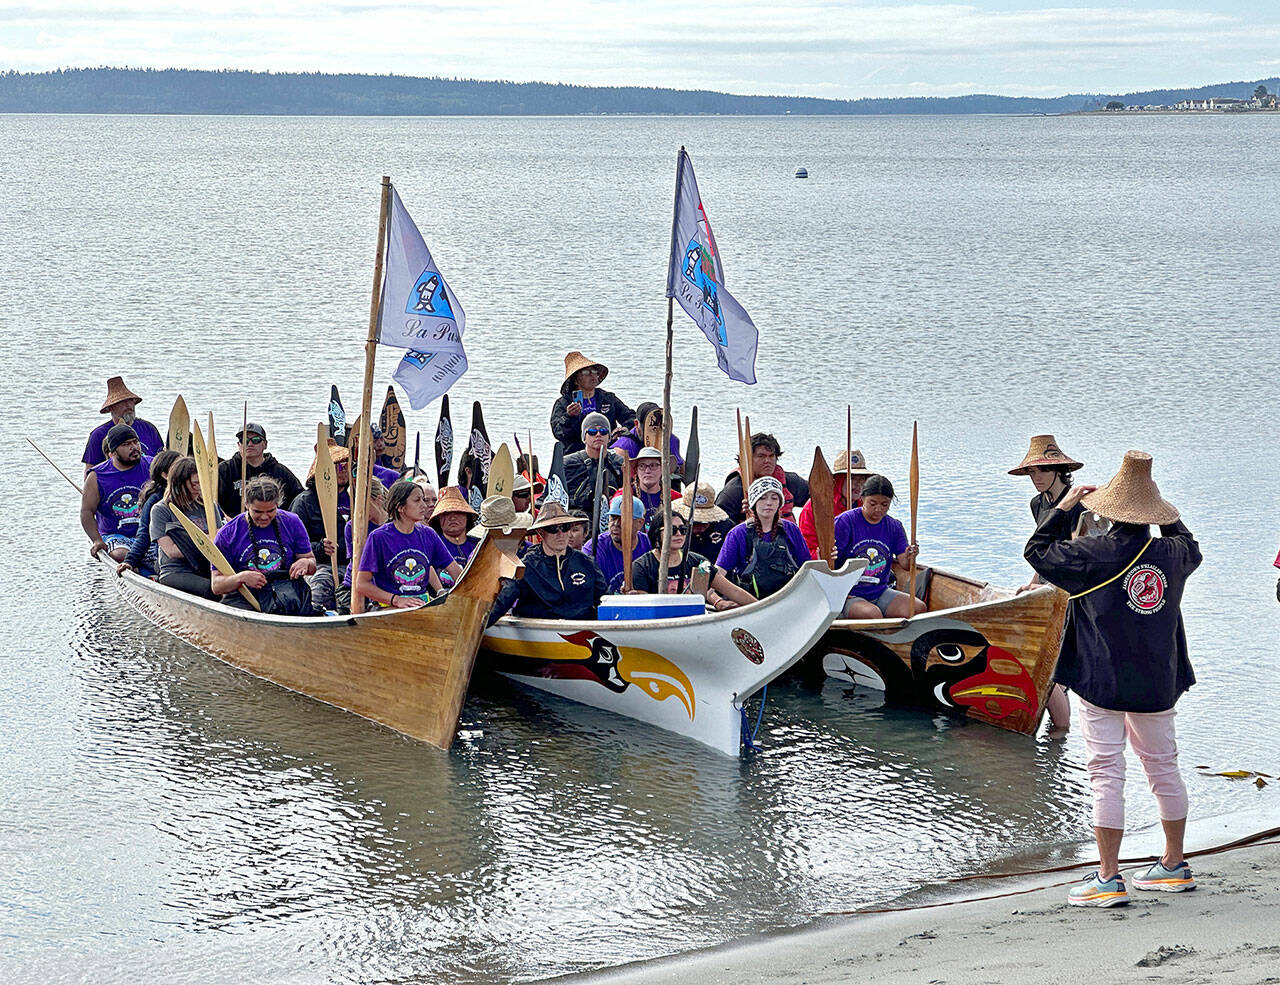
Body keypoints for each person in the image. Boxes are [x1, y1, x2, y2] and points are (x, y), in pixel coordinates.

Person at [1024, 451, 1201, 908]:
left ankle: (1108, 877)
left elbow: (1037, 553)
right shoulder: (1173, 552)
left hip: (1103, 678)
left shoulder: (1094, 554)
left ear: (1108, 509)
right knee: (1163, 765)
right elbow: (1192, 546)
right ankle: (1174, 864)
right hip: (1158, 680)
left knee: (1106, 772)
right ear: (1153, 514)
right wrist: (1170, 517)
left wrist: (1064, 509)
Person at [1009, 433, 1085, 730]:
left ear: (1058, 470)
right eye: (1031, 471)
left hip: (1073, 592)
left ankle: (1060, 734)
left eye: (1041, 470)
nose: (1035, 477)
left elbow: (1079, 555)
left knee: (1056, 668)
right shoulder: (1037, 504)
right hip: (1047, 587)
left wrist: (1052, 587)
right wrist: (1033, 583)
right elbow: (1043, 550)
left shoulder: (1080, 503)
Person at [213, 475, 319, 614]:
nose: (264, 517)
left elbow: (311, 565)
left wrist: (306, 562)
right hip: (246, 594)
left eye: (270, 511)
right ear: (247, 505)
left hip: (286, 590)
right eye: (257, 511)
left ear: (277, 505)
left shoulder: (292, 522)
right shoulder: (227, 534)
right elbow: (216, 586)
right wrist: (241, 578)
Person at [354, 479, 463, 610]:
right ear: (400, 507)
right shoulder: (378, 538)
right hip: (388, 608)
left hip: (422, 606)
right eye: (417, 500)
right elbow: (362, 584)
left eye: (423, 499)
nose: (424, 505)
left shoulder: (429, 534)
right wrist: (396, 600)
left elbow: (456, 572)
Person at [490, 502, 607, 622]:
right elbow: (501, 604)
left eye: (565, 527)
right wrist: (477, 626)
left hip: (583, 635)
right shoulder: (525, 567)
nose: (560, 534)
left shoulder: (587, 563)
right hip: (538, 635)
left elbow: (605, 601)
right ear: (541, 533)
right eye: (553, 529)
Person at [834, 474, 925, 618]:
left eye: (884, 505)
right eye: (872, 503)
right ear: (862, 499)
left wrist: (910, 556)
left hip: (879, 591)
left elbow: (906, 565)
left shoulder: (894, 526)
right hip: (849, 594)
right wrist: (840, 592)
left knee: (917, 608)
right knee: (872, 614)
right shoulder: (844, 522)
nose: (878, 509)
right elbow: (829, 563)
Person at [630, 511, 757, 609]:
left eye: (683, 530)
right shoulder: (642, 566)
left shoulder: (699, 563)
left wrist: (760, 607)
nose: (679, 534)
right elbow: (644, 608)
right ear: (657, 533)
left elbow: (734, 591)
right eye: (672, 530)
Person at [716, 477, 812, 599]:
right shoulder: (737, 534)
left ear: (779, 503)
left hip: (788, 598)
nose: (769, 503)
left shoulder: (791, 529)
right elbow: (719, 573)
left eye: (774, 498)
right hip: (751, 602)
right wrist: (716, 600)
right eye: (762, 497)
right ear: (753, 502)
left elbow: (807, 567)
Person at [149, 456, 225, 599]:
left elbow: (220, 540)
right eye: (195, 484)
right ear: (180, 483)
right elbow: (171, 551)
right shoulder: (160, 510)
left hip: (206, 567)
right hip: (176, 571)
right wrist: (207, 540)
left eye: (201, 483)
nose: (199, 489)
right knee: (212, 590)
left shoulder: (208, 506)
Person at [311, 477, 386, 614]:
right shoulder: (352, 526)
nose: (358, 510)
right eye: (354, 504)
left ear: (378, 500)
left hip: (387, 584)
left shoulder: (392, 525)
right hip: (355, 585)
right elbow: (358, 564)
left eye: (363, 504)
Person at [80, 423, 152, 561]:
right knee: (120, 555)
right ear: (112, 452)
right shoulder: (97, 476)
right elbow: (87, 512)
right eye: (126, 444)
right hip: (115, 536)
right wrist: (96, 540)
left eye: (136, 442)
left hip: (148, 534)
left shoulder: (152, 466)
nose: (134, 447)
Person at [549, 351, 636, 455]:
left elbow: (631, 417)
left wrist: (623, 429)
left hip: (607, 451)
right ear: (576, 380)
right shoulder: (564, 403)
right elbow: (558, 433)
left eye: (594, 371)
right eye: (586, 372)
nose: (592, 375)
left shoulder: (607, 398)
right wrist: (569, 416)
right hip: (575, 454)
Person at [715, 432, 809, 525]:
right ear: (747, 460)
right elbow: (720, 526)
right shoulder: (733, 491)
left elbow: (817, 499)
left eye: (771, 456)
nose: (767, 461)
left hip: (788, 536)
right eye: (761, 456)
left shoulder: (790, 482)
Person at [216, 422, 303, 519]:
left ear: (265, 444)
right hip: (235, 526)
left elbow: (299, 498)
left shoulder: (280, 471)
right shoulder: (225, 470)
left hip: (272, 524)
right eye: (244, 440)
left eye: (256, 440)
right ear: (239, 444)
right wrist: (227, 520)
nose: (249, 444)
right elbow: (213, 501)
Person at [291, 442, 353, 576]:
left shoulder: (354, 498)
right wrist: (320, 548)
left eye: (347, 465)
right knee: (321, 585)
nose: (343, 470)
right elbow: (291, 542)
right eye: (339, 465)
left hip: (353, 564)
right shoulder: (304, 502)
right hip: (321, 565)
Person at [798, 449, 873, 559]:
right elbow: (805, 549)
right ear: (838, 480)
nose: (859, 484)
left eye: (862, 479)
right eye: (852, 478)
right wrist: (821, 555)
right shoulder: (813, 508)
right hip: (827, 567)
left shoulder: (867, 507)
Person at [83, 376, 164, 472]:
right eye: (122, 402)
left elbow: (161, 459)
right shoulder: (98, 435)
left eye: (130, 401)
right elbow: (90, 471)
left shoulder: (148, 428)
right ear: (111, 408)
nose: (128, 405)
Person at [119, 449, 180, 578]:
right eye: (179, 467)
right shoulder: (155, 501)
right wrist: (129, 561)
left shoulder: (193, 494)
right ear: (165, 475)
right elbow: (144, 534)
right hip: (162, 552)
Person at [584, 493, 650, 592]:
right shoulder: (594, 547)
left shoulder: (650, 544)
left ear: (640, 523)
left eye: (623, 519)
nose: (616, 524)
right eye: (613, 518)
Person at [564, 412, 625, 512]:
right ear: (584, 437)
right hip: (578, 518)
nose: (598, 435)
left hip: (611, 517)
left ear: (609, 437)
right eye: (592, 431)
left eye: (603, 431)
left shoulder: (620, 463)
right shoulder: (567, 464)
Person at [610, 402, 684, 481]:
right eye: (651, 430)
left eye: (659, 429)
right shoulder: (623, 447)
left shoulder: (670, 439)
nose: (655, 436)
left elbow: (682, 469)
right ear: (636, 424)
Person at [673, 482, 735, 565]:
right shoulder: (672, 528)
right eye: (696, 523)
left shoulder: (726, 527)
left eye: (706, 523)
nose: (701, 528)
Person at [430, 486, 480, 567]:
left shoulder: (479, 545)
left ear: (467, 516)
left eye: (458, 512)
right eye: (446, 513)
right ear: (438, 518)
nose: (452, 518)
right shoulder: (433, 546)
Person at [630, 446, 677, 523]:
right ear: (636, 471)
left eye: (653, 465)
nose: (647, 471)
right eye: (642, 466)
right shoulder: (625, 496)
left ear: (663, 469)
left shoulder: (675, 498)